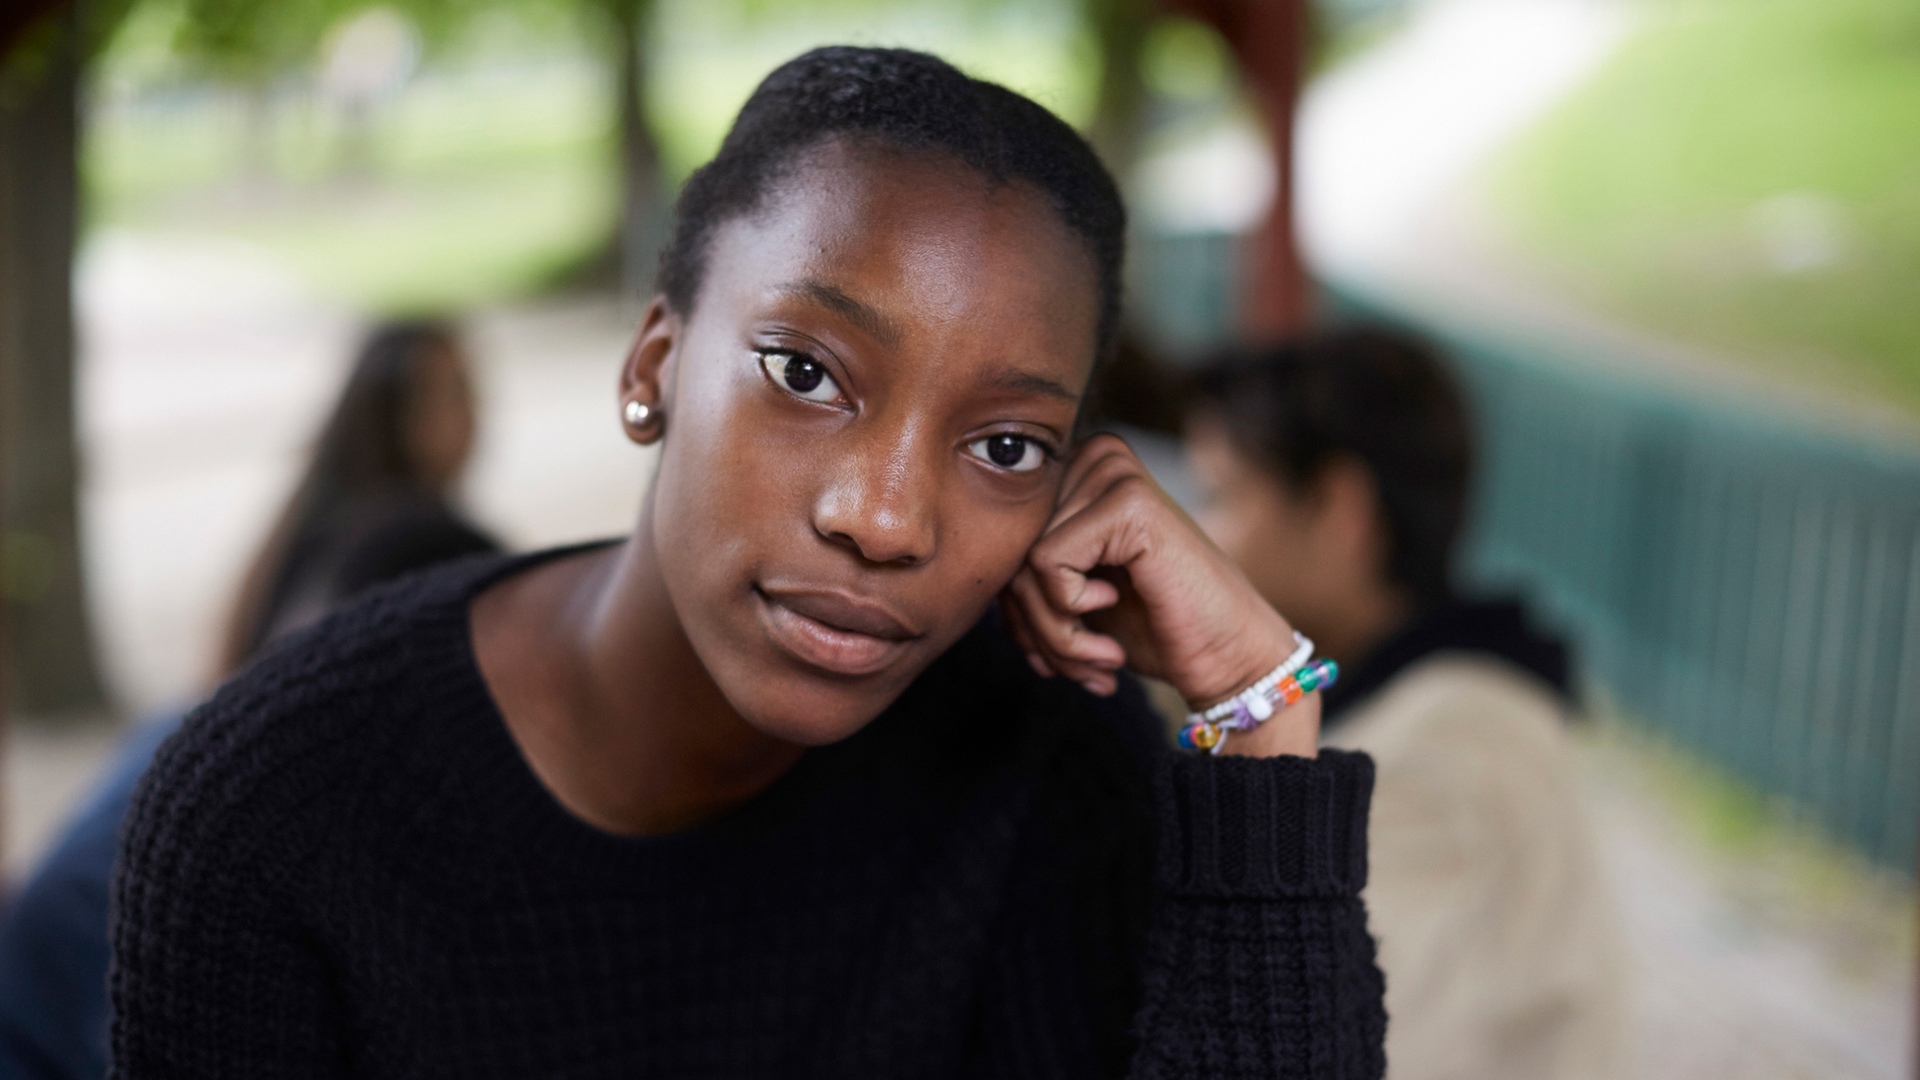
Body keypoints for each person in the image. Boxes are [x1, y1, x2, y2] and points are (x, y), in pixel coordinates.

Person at [109, 48, 1386, 1078]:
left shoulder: (1044, 764)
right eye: (806, 373)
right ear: (654, 362)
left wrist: (1260, 717)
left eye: (1004, 444)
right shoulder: (272, 817)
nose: (887, 520)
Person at [0, 319, 498, 1080]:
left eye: (468, 389)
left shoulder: (316, 525)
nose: (470, 414)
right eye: (445, 393)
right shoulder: (408, 564)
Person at [1185, 327, 1625, 1080]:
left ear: (1337, 508)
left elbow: (1315, 1047)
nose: (1198, 534)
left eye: (1221, 495)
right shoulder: (1447, 706)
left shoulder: (1436, 758)